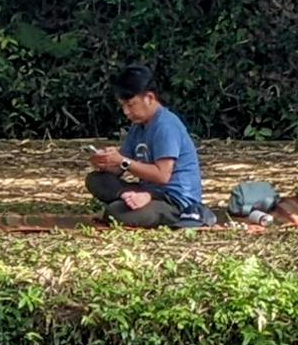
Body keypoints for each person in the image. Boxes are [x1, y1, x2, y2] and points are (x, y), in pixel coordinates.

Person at [87, 64, 208, 226]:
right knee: (95, 179)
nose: (126, 112)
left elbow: (162, 176)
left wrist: (122, 161)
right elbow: (121, 167)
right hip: (147, 190)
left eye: (130, 105)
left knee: (116, 213)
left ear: (149, 98)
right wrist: (105, 162)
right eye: (123, 106)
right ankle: (129, 197)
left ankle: (136, 204)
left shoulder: (166, 126)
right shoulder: (138, 126)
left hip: (173, 200)